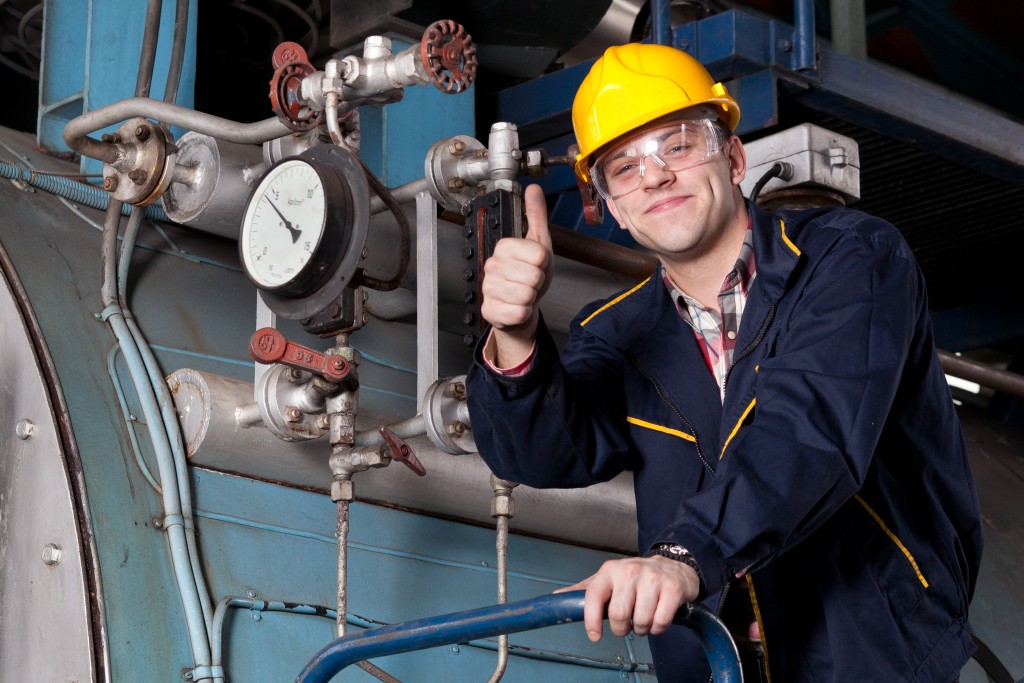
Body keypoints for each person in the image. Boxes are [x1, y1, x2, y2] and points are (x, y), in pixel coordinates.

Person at [465, 42, 983, 682]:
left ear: (733, 156)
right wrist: (513, 335)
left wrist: (684, 557)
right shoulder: (617, 330)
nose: (653, 176)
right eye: (623, 168)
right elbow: (544, 454)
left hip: (869, 653)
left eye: (678, 146)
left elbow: (810, 434)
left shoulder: (853, 260)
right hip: (715, 663)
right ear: (611, 207)